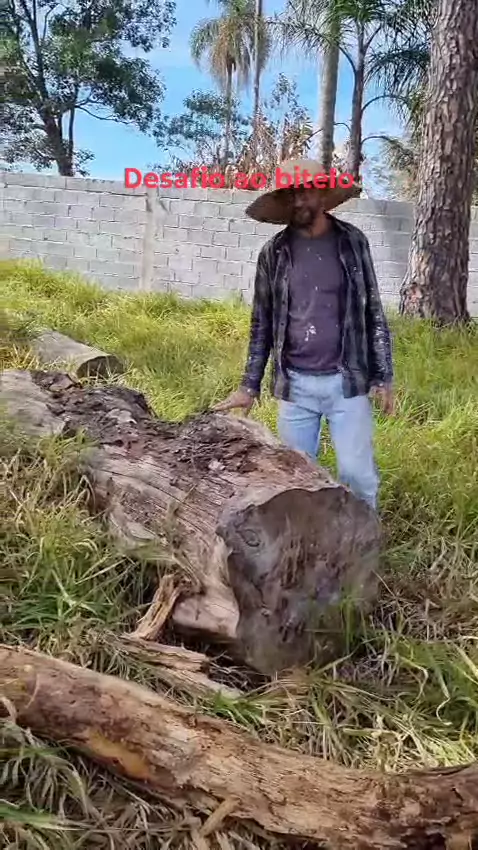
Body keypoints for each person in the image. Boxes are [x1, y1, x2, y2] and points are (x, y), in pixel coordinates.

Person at [214, 158, 394, 511]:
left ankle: (365, 540)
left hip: (346, 382)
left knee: (357, 476)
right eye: (291, 195)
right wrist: (249, 387)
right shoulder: (273, 253)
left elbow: (372, 308)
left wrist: (383, 375)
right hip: (294, 385)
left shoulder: (353, 242)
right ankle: (309, 541)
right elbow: (262, 322)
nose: (298, 201)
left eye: (306, 193)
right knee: (296, 479)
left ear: (323, 194)